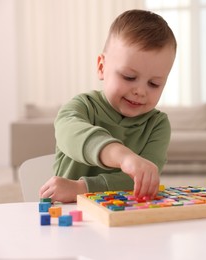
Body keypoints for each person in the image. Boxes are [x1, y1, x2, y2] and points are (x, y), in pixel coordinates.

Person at [39, 9, 177, 203]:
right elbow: (70, 135)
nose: (140, 91)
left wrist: (82, 188)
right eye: (129, 77)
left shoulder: (157, 124)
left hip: (126, 216)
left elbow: (143, 182)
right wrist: (124, 157)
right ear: (102, 67)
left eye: (154, 83)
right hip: (70, 212)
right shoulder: (80, 107)